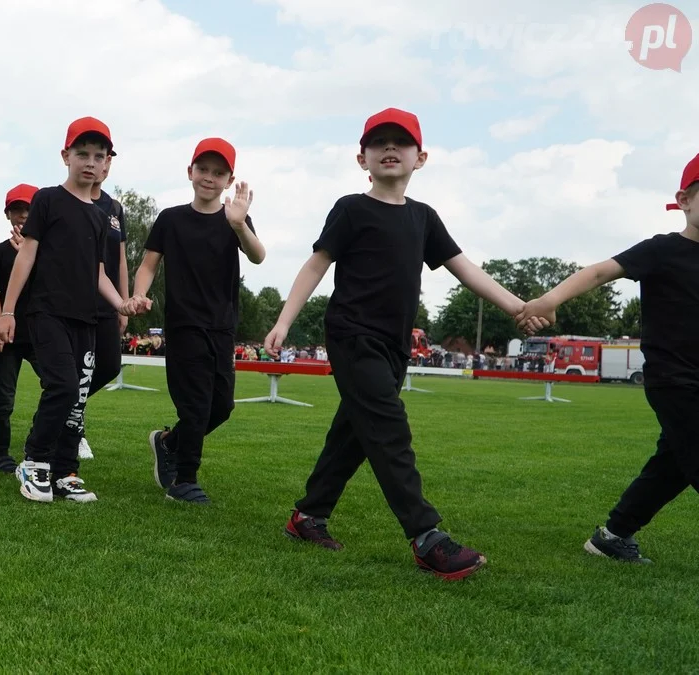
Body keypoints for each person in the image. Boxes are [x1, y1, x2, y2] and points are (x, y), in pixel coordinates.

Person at [263, 108, 536, 580]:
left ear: (420, 157)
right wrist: (284, 323)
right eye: (378, 143)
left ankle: (307, 518)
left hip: (394, 346)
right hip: (351, 335)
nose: (390, 149)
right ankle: (427, 536)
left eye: (401, 143)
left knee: (353, 434)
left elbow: (465, 268)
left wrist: (518, 307)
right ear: (361, 158)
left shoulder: (424, 218)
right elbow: (315, 265)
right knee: (389, 429)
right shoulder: (351, 208)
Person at [517, 152, 699, 565]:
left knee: (672, 465)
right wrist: (549, 299)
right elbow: (600, 272)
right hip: (676, 381)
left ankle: (612, 536)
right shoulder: (662, 251)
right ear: (684, 200)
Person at [0, 117, 129, 503]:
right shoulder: (48, 199)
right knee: (64, 386)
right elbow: (28, 254)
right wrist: (8, 311)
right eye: (81, 153)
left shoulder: (103, 215)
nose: (89, 162)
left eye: (98, 156)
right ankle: (34, 462)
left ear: (106, 163)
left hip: (86, 318)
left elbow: (98, 270)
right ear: (65, 156)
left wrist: (121, 302)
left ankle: (66, 471)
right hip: (47, 312)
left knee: (78, 397)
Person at [128, 138, 266, 504]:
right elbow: (148, 265)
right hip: (184, 324)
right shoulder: (171, 219)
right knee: (196, 405)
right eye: (202, 169)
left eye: (218, 172)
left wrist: (239, 225)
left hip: (222, 326)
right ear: (190, 172)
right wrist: (139, 294)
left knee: (222, 407)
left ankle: (169, 442)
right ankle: (184, 481)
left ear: (229, 179)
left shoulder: (234, 219)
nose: (209, 177)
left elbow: (258, 256)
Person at [77, 148, 129, 460]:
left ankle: (71, 408)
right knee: (76, 369)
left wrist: (123, 303)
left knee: (109, 366)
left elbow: (121, 259)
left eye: (105, 158)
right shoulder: (67, 199)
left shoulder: (115, 208)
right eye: (93, 157)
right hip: (74, 299)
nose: (99, 164)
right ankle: (74, 430)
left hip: (107, 301)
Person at [0, 183, 39, 474]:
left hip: (42, 334)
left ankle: (39, 443)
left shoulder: (48, 253)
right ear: (7, 214)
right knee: (4, 398)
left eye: (28, 209)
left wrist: (31, 255)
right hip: (7, 336)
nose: (22, 215)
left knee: (57, 389)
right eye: (16, 209)